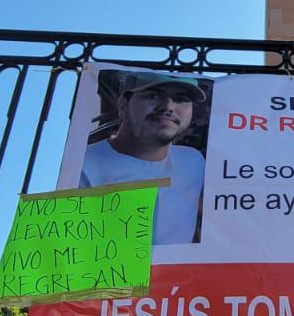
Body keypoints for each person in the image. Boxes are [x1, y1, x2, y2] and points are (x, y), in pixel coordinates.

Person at [80, 71, 207, 244]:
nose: (168, 106)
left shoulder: (193, 161)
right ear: (123, 105)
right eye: (153, 95)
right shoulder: (83, 164)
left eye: (182, 99)